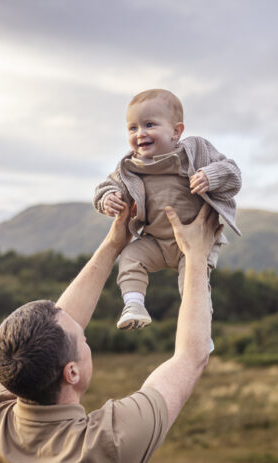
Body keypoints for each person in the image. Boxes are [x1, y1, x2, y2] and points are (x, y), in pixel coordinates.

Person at [0, 203, 223, 463]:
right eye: (83, 339)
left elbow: (55, 333)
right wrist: (196, 256)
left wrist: (114, 243)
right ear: (72, 373)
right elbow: (192, 356)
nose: (83, 332)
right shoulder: (108, 444)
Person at [94, 89, 241, 331]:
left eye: (149, 124)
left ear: (176, 131)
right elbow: (108, 186)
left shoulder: (195, 152)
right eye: (132, 128)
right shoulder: (131, 167)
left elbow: (232, 173)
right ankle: (134, 305)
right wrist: (108, 198)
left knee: (193, 284)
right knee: (130, 256)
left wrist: (210, 176)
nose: (140, 133)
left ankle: (201, 329)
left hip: (195, 243)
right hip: (156, 242)